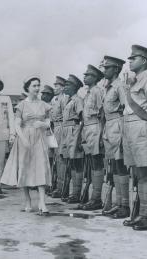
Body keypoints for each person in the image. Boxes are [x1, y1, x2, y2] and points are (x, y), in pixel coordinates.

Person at [122, 45, 147, 231]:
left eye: (133, 58)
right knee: (137, 173)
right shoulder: (134, 82)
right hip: (130, 128)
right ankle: (137, 214)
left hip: (142, 129)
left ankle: (146, 217)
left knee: (146, 174)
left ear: (144, 61)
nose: (129, 61)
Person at [1, 76, 52, 215]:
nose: (37, 88)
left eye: (38, 85)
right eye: (34, 86)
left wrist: (42, 124)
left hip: (39, 138)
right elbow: (17, 125)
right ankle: (28, 200)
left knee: (41, 167)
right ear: (28, 88)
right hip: (25, 139)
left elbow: (49, 123)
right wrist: (23, 139)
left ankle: (42, 201)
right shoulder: (22, 105)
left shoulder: (44, 104)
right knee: (25, 168)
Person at [100, 56, 130, 218]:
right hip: (109, 126)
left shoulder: (120, 86)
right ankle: (118, 204)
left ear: (116, 69)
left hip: (118, 124)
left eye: (107, 68)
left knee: (121, 165)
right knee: (114, 166)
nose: (104, 70)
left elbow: (126, 108)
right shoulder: (107, 87)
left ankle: (124, 206)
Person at [80, 64, 105, 210]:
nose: (85, 77)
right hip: (88, 128)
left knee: (96, 162)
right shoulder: (88, 93)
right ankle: (92, 196)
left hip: (96, 127)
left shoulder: (97, 91)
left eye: (87, 75)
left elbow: (102, 114)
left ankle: (96, 198)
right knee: (90, 162)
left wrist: (101, 135)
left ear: (94, 77)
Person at [60, 74, 84, 203]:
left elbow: (82, 118)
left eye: (68, 85)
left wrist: (80, 137)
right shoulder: (68, 100)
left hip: (74, 131)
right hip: (66, 131)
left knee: (76, 164)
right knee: (70, 163)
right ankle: (71, 192)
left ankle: (76, 193)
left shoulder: (78, 100)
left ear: (74, 87)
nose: (65, 87)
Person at [50, 76, 68, 198]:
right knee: (56, 158)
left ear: (62, 88)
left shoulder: (64, 99)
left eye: (57, 86)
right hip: (54, 128)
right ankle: (56, 185)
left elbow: (65, 117)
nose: (55, 88)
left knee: (61, 159)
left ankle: (62, 187)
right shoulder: (54, 100)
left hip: (61, 128)